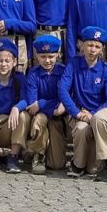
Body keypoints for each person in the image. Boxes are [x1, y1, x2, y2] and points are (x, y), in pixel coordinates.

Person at [60, 26, 107, 180]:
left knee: (93, 169)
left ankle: (102, 160)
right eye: (89, 45)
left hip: (97, 115)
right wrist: (77, 113)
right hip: (80, 114)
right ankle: (77, 164)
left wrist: (93, 114)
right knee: (81, 129)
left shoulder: (106, 70)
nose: (92, 50)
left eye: (97, 46)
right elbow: (62, 89)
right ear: (82, 45)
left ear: (102, 49)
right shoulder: (73, 64)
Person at [0, 37, 32, 173]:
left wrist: (16, 107)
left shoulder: (19, 79)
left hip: (10, 122)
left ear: (14, 62)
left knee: (23, 116)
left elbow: (26, 99)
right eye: (0, 61)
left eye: (7, 61)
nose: (3, 64)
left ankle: (13, 156)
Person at [23, 33, 70, 176]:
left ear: (58, 55)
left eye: (51, 56)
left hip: (58, 118)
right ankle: (38, 155)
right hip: (42, 115)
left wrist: (42, 103)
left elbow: (66, 97)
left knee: (57, 165)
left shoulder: (64, 72)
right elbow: (33, 105)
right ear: (37, 56)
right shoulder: (33, 74)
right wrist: (46, 105)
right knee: (39, 120)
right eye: (43, 57)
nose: (47, 60)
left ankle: (31, 149)